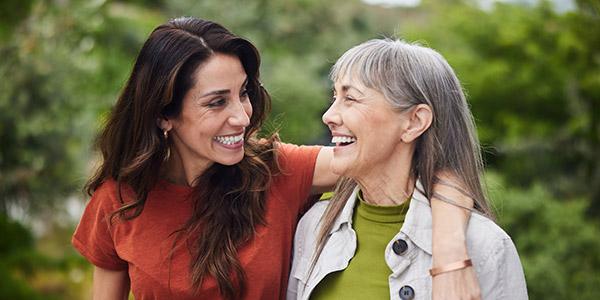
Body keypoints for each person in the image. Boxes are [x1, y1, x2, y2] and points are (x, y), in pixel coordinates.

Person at [72, 17, 481, 300]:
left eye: (244, 93)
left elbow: (424, 158)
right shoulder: (119, 200)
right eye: (217, 102)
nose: (242, 115)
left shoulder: (277, 171)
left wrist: (450, 255)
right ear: (164, 115)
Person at [287, 39, 528, 300]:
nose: (329, 115)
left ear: (414, 122)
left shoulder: (485, 246)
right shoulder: (314, 227)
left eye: (351, 98)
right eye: (335, 97)